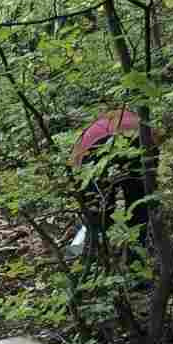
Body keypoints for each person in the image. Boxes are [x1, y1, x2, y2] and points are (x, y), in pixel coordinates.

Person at [68, 106, 148, 262]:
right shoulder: (136, 121)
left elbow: (77, 167)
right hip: (138, 142)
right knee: (140, 205)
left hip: (96, 150)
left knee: (96, 209)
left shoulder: (91, 130)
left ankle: (85, 254)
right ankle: (137, 257)